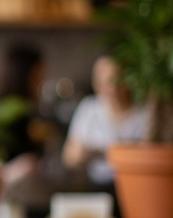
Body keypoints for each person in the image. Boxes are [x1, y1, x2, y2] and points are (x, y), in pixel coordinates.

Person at [62, 55, 149, 185]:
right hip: (97, 185)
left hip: (136, 183)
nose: (113, 89)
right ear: (97, 86)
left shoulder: (145, 112)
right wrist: (81, 155)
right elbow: (68, 157)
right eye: (108, 83)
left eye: (118, 81)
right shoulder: (89, 109)